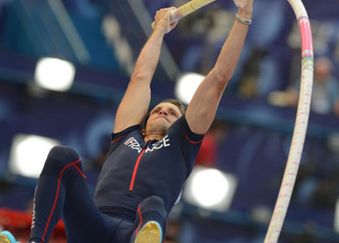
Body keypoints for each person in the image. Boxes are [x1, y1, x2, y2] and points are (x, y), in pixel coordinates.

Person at [0, 0, 253, 242]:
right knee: (61, 156)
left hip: (134, 231)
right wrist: (160, 30)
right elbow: (141, 77)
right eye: (157, 109)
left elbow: (219, 78)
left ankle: (146, 239)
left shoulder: (181, 144)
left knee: (152, 204)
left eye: (172, 113)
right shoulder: (126, 135)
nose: (162, 112)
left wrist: (243, 15)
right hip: (94, 227)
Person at [268, 57, 339, 117]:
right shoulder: (305, 81)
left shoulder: (334, 85)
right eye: (318, 74)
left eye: (323, 74)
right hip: (306, 115)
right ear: (314, 71)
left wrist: (338, 106)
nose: (320, 77)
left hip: (326, 118)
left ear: (328, 73)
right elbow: (291, 96)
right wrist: (295, 99)